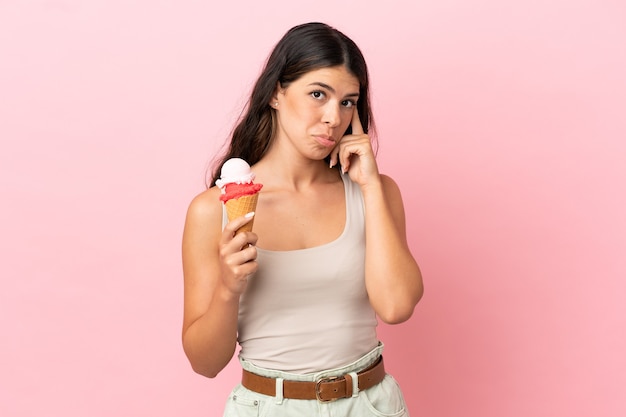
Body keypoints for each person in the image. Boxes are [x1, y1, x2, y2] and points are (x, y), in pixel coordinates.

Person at [181, 22, 423, 416]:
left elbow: (396, 307)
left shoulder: (376, 193)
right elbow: (204, 363)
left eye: (348, 102)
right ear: (277, 92)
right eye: (318, 94)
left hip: (370, 405)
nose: (333, 117)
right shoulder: (213, 210)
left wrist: (370, 186)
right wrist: (227, 287)